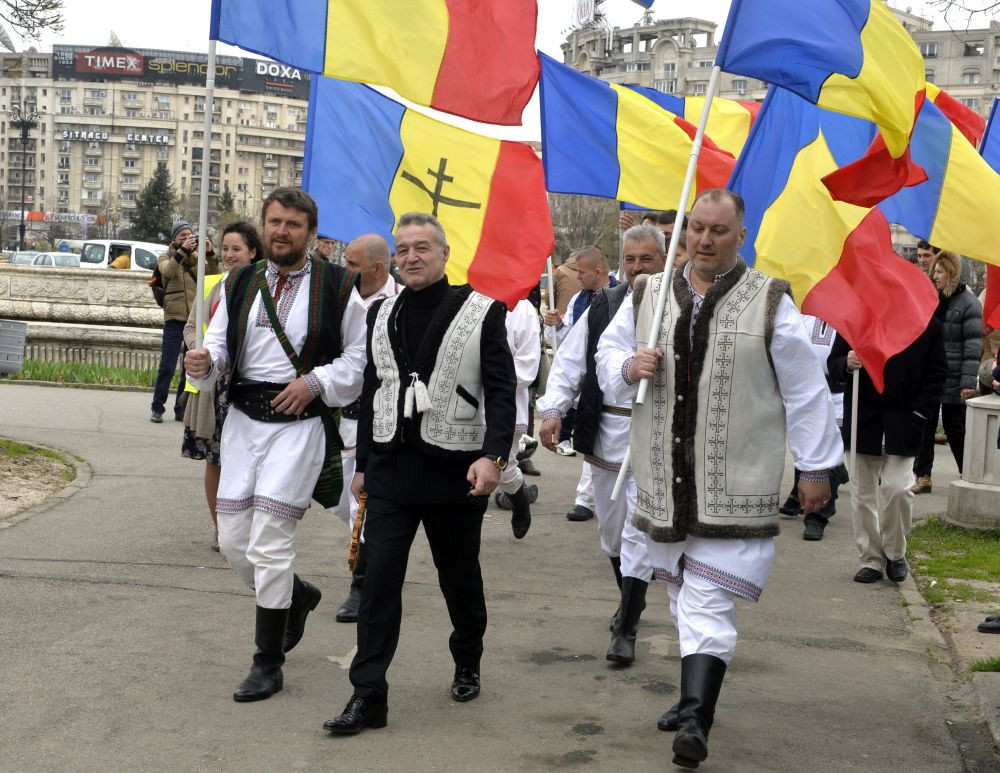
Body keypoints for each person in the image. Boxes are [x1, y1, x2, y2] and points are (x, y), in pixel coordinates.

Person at [596, 190, 842, 769]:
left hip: (736, 478)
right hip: (663, 477)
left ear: (740, 234)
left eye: (718, 231)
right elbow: (606, 359)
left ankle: (695, 720)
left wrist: (814, 466)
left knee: (706, 596)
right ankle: (694, 696)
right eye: (697, 229)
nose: (705, 241)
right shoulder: (646, 295)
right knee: (683, 594)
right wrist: (629, 366)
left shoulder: (771, 301)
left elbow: (805, 390)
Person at [324, 212, 515, 735]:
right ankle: (368, 695)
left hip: (456, 471)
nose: (411, 256)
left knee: (459, 578)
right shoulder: (379, 313)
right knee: (378, 583)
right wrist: (362, 464)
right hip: (391, 471)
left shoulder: (483, 312)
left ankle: (467, 657)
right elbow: (373, 387)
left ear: (444, 253)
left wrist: (493, 457)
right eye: (403, 248)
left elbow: (502, 393)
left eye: (422, 247)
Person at [184, 188, 367, 702]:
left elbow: (358, 359)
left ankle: (268, 662)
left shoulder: (337, 286)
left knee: (269, 541)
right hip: (243, 421)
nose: (280, 231)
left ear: (310, 232)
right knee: (234, 541)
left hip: (300, 425)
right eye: (273, 222)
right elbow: (219, 345)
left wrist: (314, 383)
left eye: (292, 223)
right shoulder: (240, 281)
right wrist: (205, 364)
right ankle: (297, 595)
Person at [539, 224, 666, 666]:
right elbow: (570, 363)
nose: (637, 269)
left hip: (656, 438)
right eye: (630, 260)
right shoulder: (603, 305)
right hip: (607, 434)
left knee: (637, 533)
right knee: (612, 534)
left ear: (663, 262)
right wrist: (554, 410)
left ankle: (626, 625)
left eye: (646, 260)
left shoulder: (679, 305)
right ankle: (630, 597)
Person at [828, 319, 946, 585]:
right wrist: (846, 363)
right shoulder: (855, 322)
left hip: (903, 421)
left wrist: (919, 412)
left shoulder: (929, 326)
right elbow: (833, 365)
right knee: (862, 494)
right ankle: (870, 559)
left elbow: (937, 375)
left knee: (898, 489)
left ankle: (895, 553)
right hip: (863, 419)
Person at [331, 233, 402, 624]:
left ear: (378, 268)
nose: (346, 271)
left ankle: (363, 584)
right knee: (345, 502)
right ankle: (378, 562)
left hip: (386, 420)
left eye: (353, 265)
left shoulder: (403, 302)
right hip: (346, 416)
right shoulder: (340, 300)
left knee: (366, 505)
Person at [181, 220, 263, 552]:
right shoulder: (214, 286)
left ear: (253, 252)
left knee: (250, 462)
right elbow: (191, 327)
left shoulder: (264, 289)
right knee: (215, 459)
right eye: (226, 248)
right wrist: (199, 351)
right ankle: (221, 529)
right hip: (214, 388)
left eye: (237, 249)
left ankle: (251, 529)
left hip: (247, 386)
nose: (229, 255)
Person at [912, 250, 982, 492]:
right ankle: (923, 476)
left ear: (952, 273)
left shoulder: (968, 303)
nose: (935, 276)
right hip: (932, 374)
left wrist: (967, 381)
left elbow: (973, 345)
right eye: (934, 272)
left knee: (954, 427)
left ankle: (968, 474)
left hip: (954, 376)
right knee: (925, 424)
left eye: (940, 272)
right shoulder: (932, 298)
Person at [777, 315, 849, 541]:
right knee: (807, 447)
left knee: (830, 454)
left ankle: (817, 517)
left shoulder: (848, 318)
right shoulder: (804, 318)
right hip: (809, 393)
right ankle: (799, 496)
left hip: (840, 394)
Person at [151, 221, 220, 423]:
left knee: (188, 367)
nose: (187, 238)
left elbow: (215, 277)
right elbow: (168, 272)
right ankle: (157, 407)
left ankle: (180, 408)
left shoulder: (195, 259)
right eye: (182, 235)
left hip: (193, 319)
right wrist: (182, 251)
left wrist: (209, 253)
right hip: (174, 317)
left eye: (190, 235)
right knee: (167, 365)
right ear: (174, 239)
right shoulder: (165, 257)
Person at [491, 297, 541, 538]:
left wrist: (492, 383)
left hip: (504, 399)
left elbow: (528, 363)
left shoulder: (523, 309)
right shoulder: (463, 296)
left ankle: (519, 500)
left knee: (501, 464)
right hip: (462, 402)